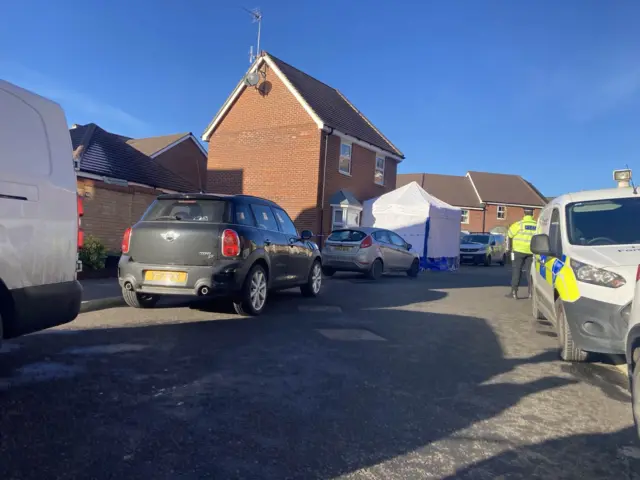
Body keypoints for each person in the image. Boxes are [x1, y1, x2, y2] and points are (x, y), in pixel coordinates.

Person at [507, 208, 537, 299]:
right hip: (532, 252)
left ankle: (514, 292)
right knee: (530, 273)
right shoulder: (537, 225)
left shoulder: (518, 225)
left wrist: (509, 248)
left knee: (517, 271)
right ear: (532, 215)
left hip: (518, 251)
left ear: (524, 214)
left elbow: (509, 234)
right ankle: (531, 293)